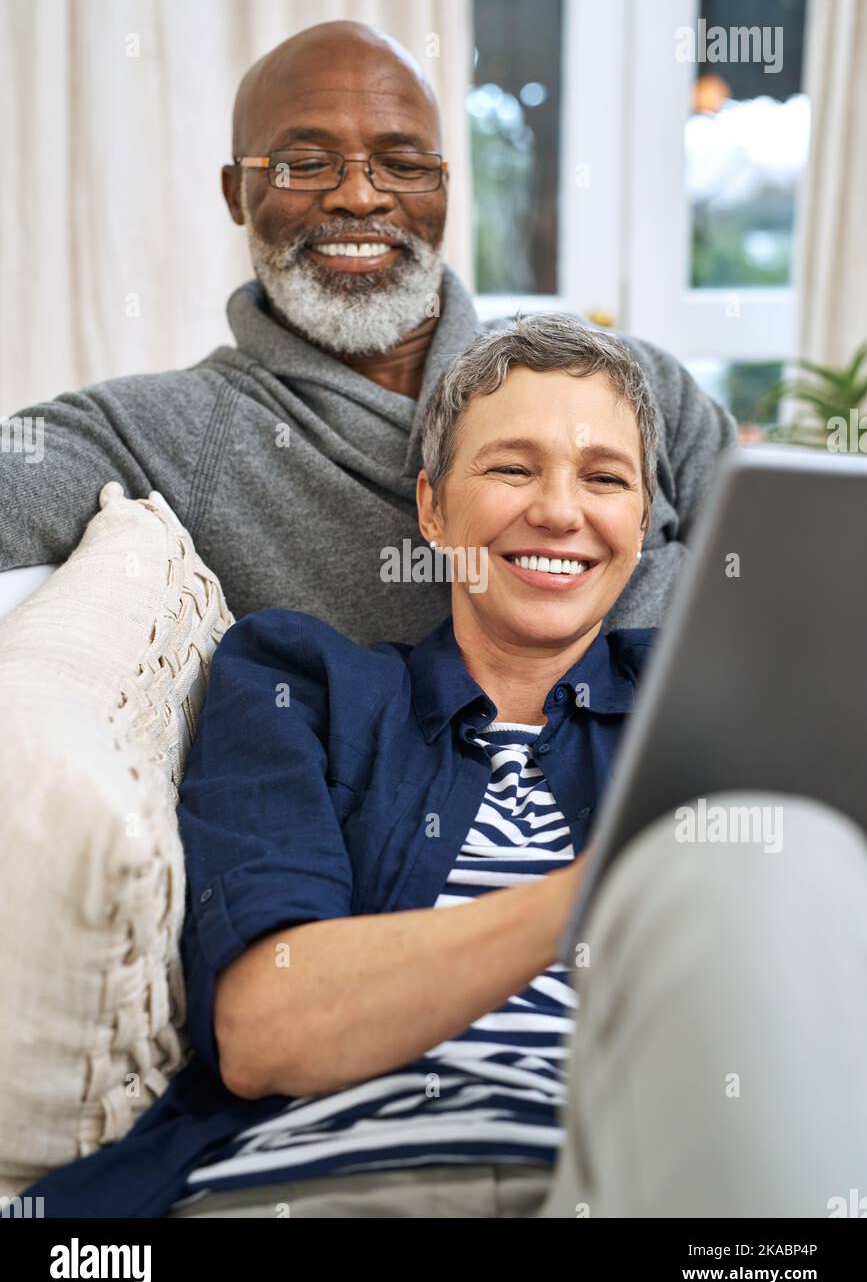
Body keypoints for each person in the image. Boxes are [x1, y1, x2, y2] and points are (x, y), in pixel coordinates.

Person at [22, 317, 867, 1219]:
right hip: (327, 1187)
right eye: (511, 468)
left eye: (604, 478)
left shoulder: (710, 688)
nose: (557, 510)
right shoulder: (303, 686)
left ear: (638, 523)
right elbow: (269, 1032)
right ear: (432, 509)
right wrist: (613, 882)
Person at [0, 20, 736, 645]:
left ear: (443, 189)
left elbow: (782, 572)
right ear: (237, 193)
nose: (358, 195)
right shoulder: (156, 433)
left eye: (401, 163)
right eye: (306, 163)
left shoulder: (636, 383)